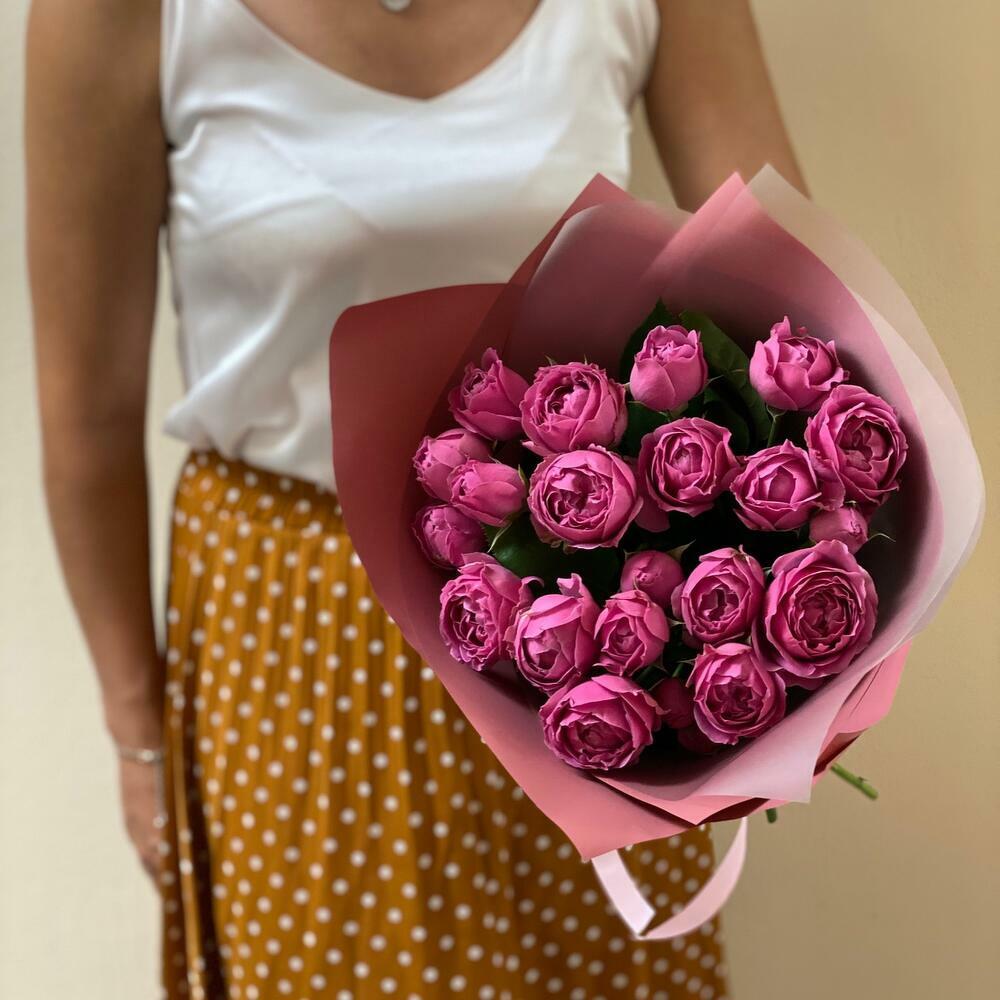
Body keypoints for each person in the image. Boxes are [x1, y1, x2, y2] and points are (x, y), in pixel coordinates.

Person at [25, 1, 806, 996]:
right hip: (295, 634)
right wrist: (138, 733)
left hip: (583, 628)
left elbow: (788, 304)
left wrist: (769, 615)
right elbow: (88, 418)